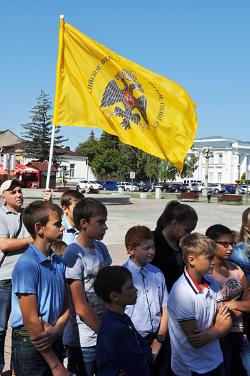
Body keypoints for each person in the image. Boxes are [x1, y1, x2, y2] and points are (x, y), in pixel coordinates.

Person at [11, 200, 70, 376]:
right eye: (57, 224)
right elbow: (30, 320)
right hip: (31, 340)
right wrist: (55, 365)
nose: (62, 228)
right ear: (39, 228)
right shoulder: (27, 265)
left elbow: (67, 304)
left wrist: (57, 329)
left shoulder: (58, 261)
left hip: (53, 334)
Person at [168, 233, 232, 376]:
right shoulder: (182, 293)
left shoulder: (211, 281)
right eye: (209, 258)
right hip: (192, 369)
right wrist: (218, 327)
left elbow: (226, 319)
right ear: (192, 260)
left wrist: (211, 333)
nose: (214, 262)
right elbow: (196, 341)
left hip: (216, 360)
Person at [63, 198, 112, 376]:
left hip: (103, 332)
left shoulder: (101, 249)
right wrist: (106, 333)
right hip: (84, 341)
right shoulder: (73, 254)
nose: (105, 227)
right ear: (83, 223)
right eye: (101, 222)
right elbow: (81, 307)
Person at [123, 225, 169, 375]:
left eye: (153, 247)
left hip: (157, 338)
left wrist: (159, 340)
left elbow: (165, 308)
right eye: (146, 248)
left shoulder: (157, 273)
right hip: (133, 342)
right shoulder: (123, 276)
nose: (152, 251)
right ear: (131, 249)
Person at [206, 224, 250, 376]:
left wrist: (232, 305)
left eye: (232, 243)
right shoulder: (206, 274)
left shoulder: (235, 268)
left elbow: (249, 300)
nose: (230, 248)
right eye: (225, 244)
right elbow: (213, 312)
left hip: (240, 333)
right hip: (219, 337)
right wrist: (241, 308)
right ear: (211, 244)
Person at [94, 265, 153, 375]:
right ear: (115, 296)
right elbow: (138, 368)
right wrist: (144, 358)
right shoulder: (117, 329)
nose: (136, 290)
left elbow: (144, 347)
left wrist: (145, 356)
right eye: (130, 287)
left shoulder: (122, 318)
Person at [0, 179, 32, 374]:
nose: (19, 194)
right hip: (3, 279)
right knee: (1, 327)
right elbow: (4, 244)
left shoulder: (28, 214)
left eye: (20, 191)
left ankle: (15, 369)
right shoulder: (0, 215)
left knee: (22, 327)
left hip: (24, 279)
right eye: (13, 192)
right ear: (3, 197)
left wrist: (49, 199)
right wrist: (32, 239)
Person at [151, 200, 198, 292]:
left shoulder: (184, 244)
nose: (189, 234)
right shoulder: (152, 242)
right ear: (174, 223)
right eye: (187, 230)